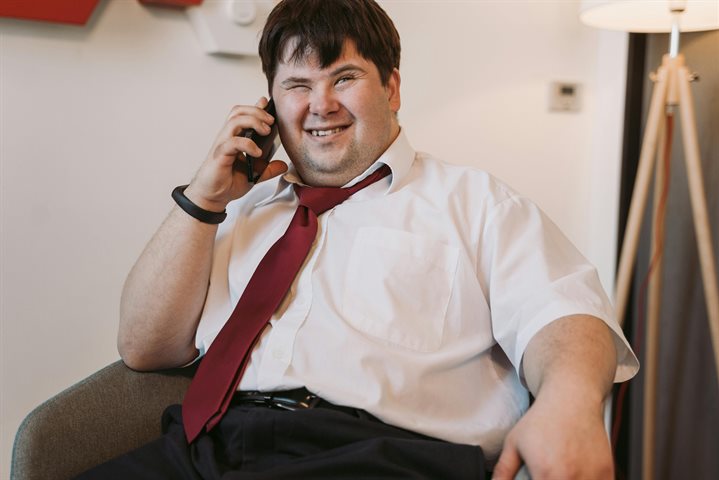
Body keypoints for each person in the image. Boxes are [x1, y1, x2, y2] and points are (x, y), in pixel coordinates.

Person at [84, 0, 638, 478]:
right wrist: (203, 202)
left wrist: (569, 403)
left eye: (343, 78)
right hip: (206, 450)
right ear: (269, 107)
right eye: (297, 85)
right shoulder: (240, 209)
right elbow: (145, 346)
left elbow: (561, 315)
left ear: (392, 87)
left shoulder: (476, 203)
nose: (320, 104)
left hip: (376, 457)